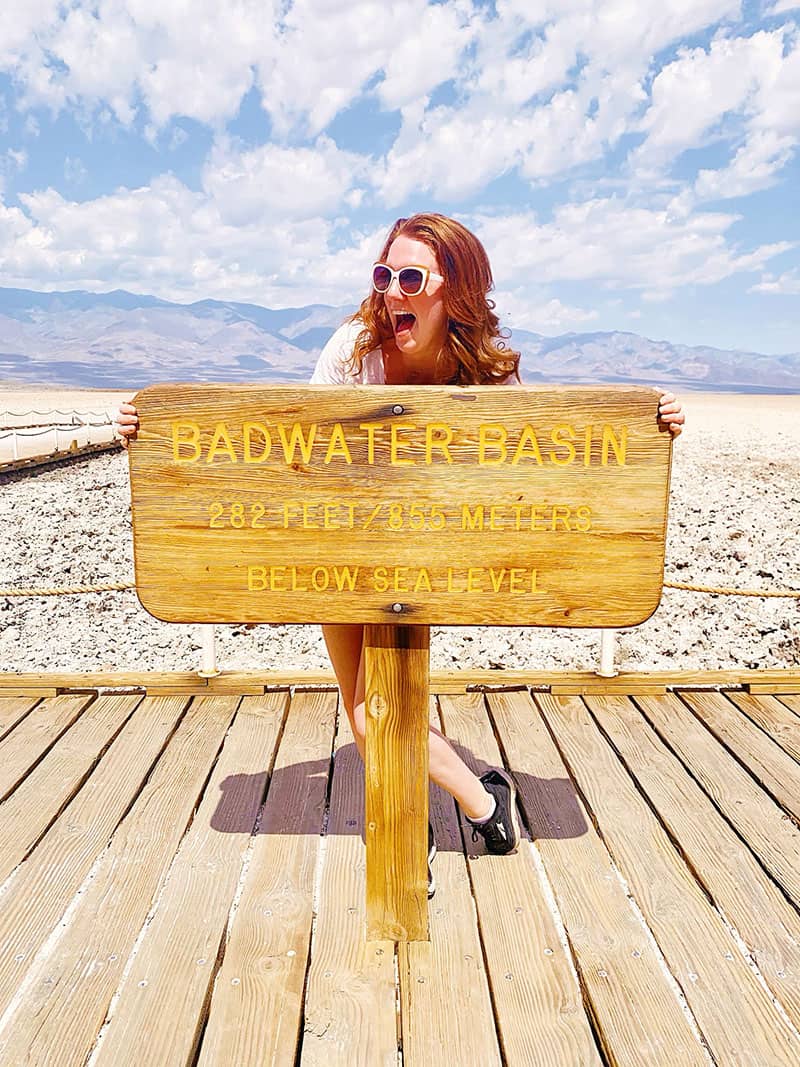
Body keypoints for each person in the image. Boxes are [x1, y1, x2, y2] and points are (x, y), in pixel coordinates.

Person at [115, 212, 686, 897]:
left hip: (424, 560)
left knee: (373, 709)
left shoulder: (484, 376)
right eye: (384, 275)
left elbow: (541, 462)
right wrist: (148, 432)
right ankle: (470, 804)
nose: (392, 292)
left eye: (411, 277)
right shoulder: (353, 352)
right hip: (339, 549)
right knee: (364, 711)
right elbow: (289, 450)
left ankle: (435, 823)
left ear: (459, 291)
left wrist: (651, 429)